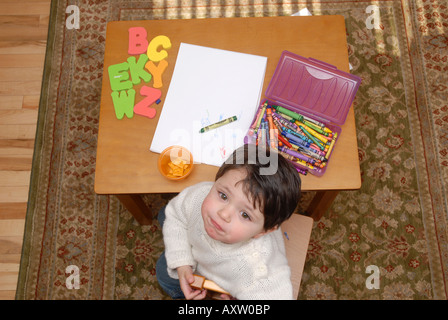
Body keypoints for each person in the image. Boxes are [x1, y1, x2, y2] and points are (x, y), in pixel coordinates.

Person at [156, 144, 302, 299]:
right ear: (217, 180)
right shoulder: (201, 194)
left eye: (245, 215)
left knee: (163, 273)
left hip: (218, 277)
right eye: (223, 196)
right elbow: (177, 215)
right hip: (197, 247)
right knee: (165, 214)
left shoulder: (257, 272)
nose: (223, 214)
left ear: (263, 231)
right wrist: (182, 262)